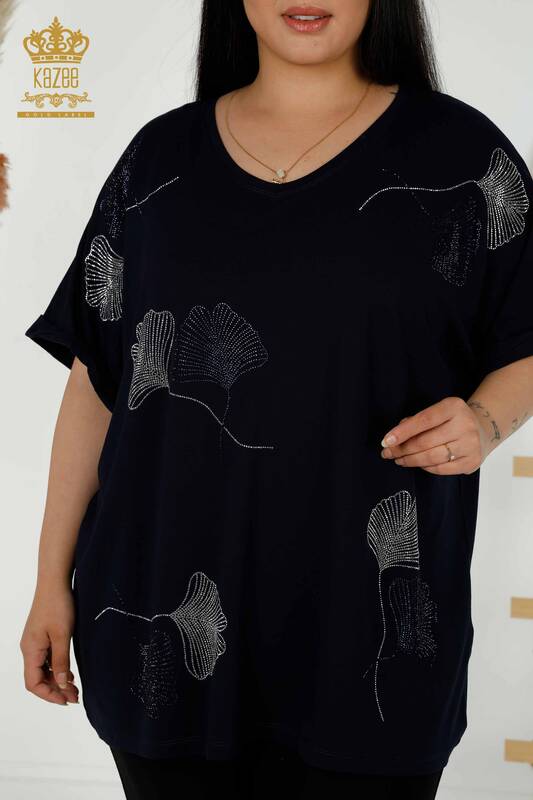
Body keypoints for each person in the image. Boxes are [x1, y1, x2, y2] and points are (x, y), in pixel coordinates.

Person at [20, 1, 533, 798]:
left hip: (366, 647)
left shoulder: (461, 153)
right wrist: (50, 581)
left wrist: (486, 420)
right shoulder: (159, 160)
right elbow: (97, 379)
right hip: (158, 622)